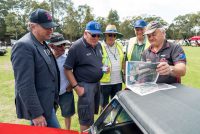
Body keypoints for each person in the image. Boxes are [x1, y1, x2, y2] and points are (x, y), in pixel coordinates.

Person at [11, 8, 60, 128]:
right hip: (40, 109)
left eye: (51, 27)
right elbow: (24, 84)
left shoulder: (42, 42)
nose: (51, 30)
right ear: (33, 26)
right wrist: (36, 114)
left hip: (47, 104)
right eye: (46, 27)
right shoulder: (23, 46)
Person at [64, 21, 103, 132]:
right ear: (85, 33)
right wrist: (76, 87)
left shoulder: (98, 45)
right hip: (85, 86)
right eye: (93, 35)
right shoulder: (76, 47)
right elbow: (67, 69)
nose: (96, 38)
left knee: (91, 116)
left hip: (97, 85)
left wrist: (102, 67)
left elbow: (97, 61)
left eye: (98, 35)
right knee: (85, 120)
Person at [48, 33, 75, 130]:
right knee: (50, 115)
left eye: (64, 44)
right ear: (51, 46)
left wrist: (71, 85)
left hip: (65, 92)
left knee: (67, 114)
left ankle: (67, 130)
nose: (63, 47)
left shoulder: (68, 57)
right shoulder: (46, 58)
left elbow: (76, 71)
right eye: (60, 45)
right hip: (51, 94)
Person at [100, 24, 124, 111]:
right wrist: (103, 69)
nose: (112, 37)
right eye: (110, 35)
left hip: (118, 81)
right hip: (105, 82)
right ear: (106, 35)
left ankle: (113, 124)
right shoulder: (100, 46)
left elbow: (123, 60)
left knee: (116, 105)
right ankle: (102, 124)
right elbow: (95, 64)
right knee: (104, 106)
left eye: (114, 35)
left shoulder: (120, 45)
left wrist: (125, 73)